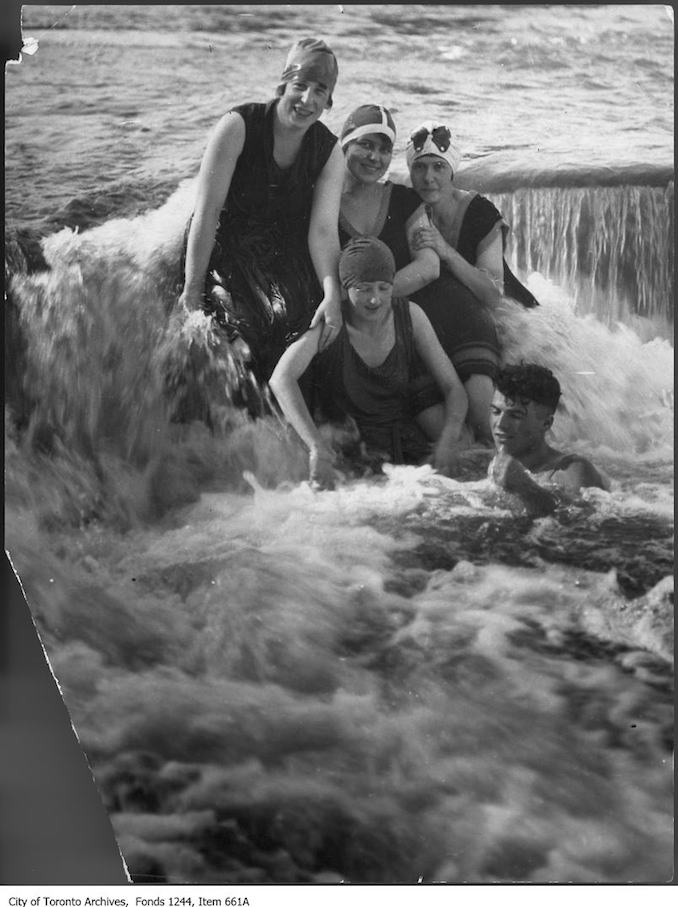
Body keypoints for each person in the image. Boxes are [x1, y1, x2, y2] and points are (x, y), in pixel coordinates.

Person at [179, 38, 345, 393]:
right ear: (283, 85)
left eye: (320, 91)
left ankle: (285, 420)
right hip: (224, 244)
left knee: (306, 328)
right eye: (300, 86)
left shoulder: (329, 152)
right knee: (242, 338)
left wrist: (332, 294)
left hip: (276, 252)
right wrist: (192, 290)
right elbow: (206, 214)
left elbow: (323, 232)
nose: (307, 100)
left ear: (329, 100)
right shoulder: (238, 126)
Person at [337, 105, 500, 445]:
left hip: (453, 312)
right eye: (420, 167)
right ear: (344, 145)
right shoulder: (327, 203)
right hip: (405, 325)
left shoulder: (406, 199)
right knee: (451, 436)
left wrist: (371, 295)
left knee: (482, 415)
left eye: (384, 149)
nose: (429, 178)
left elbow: (430, 267)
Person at [269, 236, 469, 488]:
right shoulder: (331, 326)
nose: (374, 299)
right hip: (347, 456)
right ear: (344, 289)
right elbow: (281, 379)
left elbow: (454, 388)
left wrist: (448, 440)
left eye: (383, 288)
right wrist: (316, 448)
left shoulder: (411, 316)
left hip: (402, 455)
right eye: (363, 289)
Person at [406, 121, 539, 441]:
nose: (429, 178)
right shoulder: (408, 207)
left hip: (512, 313)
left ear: (452, 170)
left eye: (439, 167)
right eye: (419, 167)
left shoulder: (479, 211)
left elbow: (492, 294)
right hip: (457, 318)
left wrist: (445, 251)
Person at [488, 363, 607, 516]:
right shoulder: (491, 464)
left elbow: (586, 522)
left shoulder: (571, 469)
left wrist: (526, 488)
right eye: (495, 411)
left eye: (515, 415)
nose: (501, 424)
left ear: (546, 423)